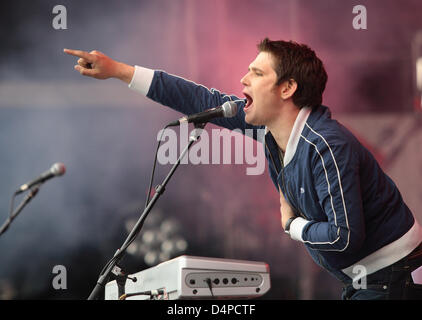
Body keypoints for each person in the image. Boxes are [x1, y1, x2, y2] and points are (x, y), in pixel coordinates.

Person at [64, 38, 422, 300]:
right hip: (366, 280)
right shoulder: (271, 129)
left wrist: (291, 224)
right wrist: (117, 71)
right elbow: (199, 98)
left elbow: (344, 236)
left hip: (393, 279)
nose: (243, 80)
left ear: (288, 88)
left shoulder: (325, 144)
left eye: (256, 72)